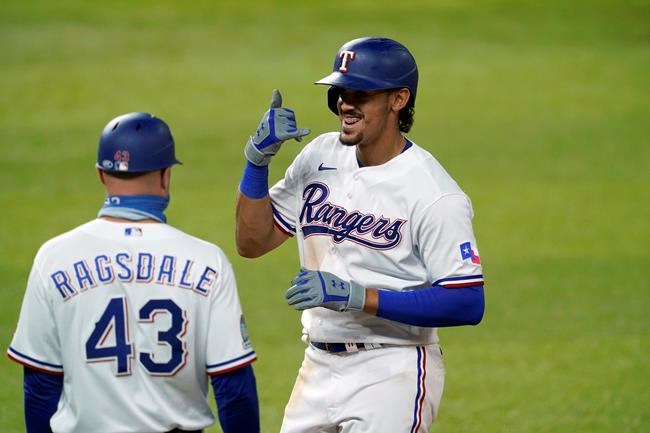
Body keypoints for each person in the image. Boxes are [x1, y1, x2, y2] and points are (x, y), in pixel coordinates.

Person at [236, 36, 485, 432]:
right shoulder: (320, 155)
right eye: (340, 92)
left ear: (398, 99)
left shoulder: (434, 193)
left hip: (392, 370)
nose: (345, 104)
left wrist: (357, 297)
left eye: (361, 93)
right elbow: (251, 243)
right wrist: (256, 161)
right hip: (317, 364)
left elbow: (468, 302)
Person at [7, 112, 260, 433]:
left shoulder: (54, 257)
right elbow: (233, 389)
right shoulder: (206, 261)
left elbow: (41, 384)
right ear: (166, 175)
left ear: (101, 175)